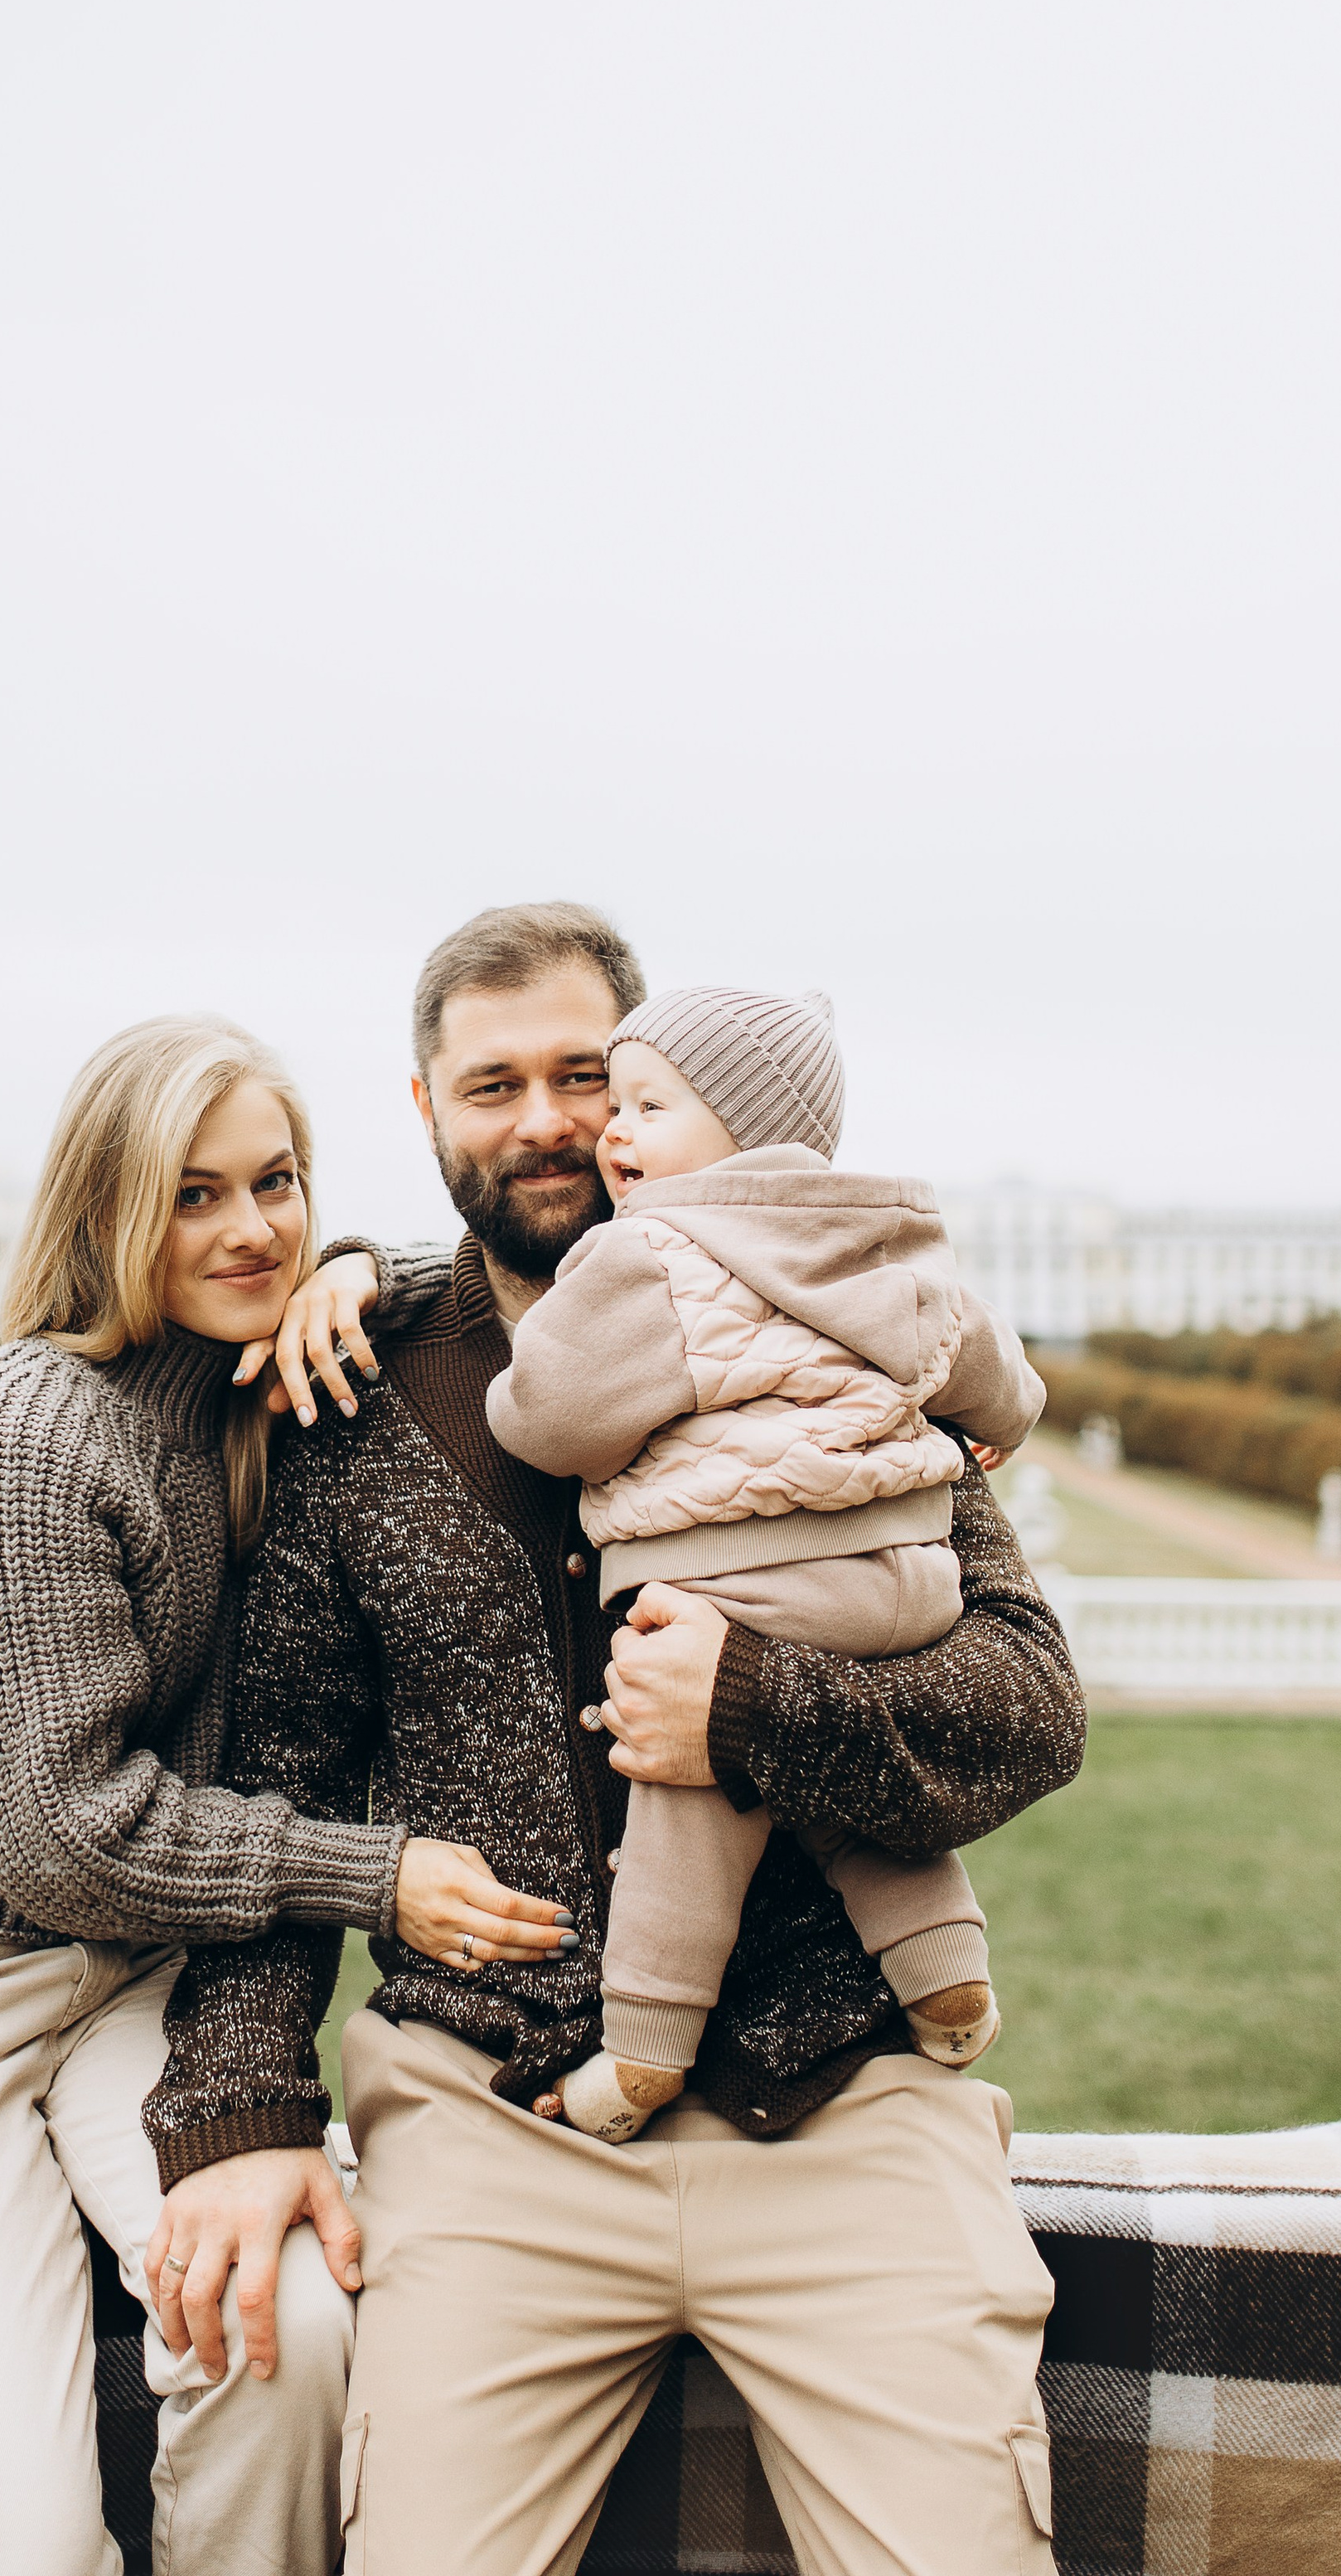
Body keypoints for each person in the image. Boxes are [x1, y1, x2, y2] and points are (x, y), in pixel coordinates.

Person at [143, 905, 1085, 2576]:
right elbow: (274, 1786)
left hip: (841, 2110)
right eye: (488, 1082)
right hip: (490, 2128)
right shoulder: (349, 1393)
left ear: (650, 1081)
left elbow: (1025, 1705)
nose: (543, 1121)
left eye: (583, 1073)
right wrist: (237, 2111)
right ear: (423, 1106)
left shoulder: (854, 1322)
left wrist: (750, 1707)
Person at [0, 1011, 570, 2576]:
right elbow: (68, 1840)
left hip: (134, 1990)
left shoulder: (253, 1382)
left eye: (277, 1182)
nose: (250, 1227)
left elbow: (453, 1275)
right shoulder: (25, 1435)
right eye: (194, 1194)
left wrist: (361, 1272)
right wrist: (376, 1873)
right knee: (22, 2538)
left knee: (293, 2335)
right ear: (110, 1210)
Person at [486, 982, 1045, 2143]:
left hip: (755, 1569)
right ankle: (947, 1976)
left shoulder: (651, 1254)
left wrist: (519, 1372)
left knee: (691, 1793)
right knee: (825, 1778)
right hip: (903, 1574)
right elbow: (987, 1360)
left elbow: (552, 1420)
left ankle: (640, 2047)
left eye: (646, 1104)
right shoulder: (881, 1233)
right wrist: (1004, 1416)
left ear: (740, 1129)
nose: (612, 1132)